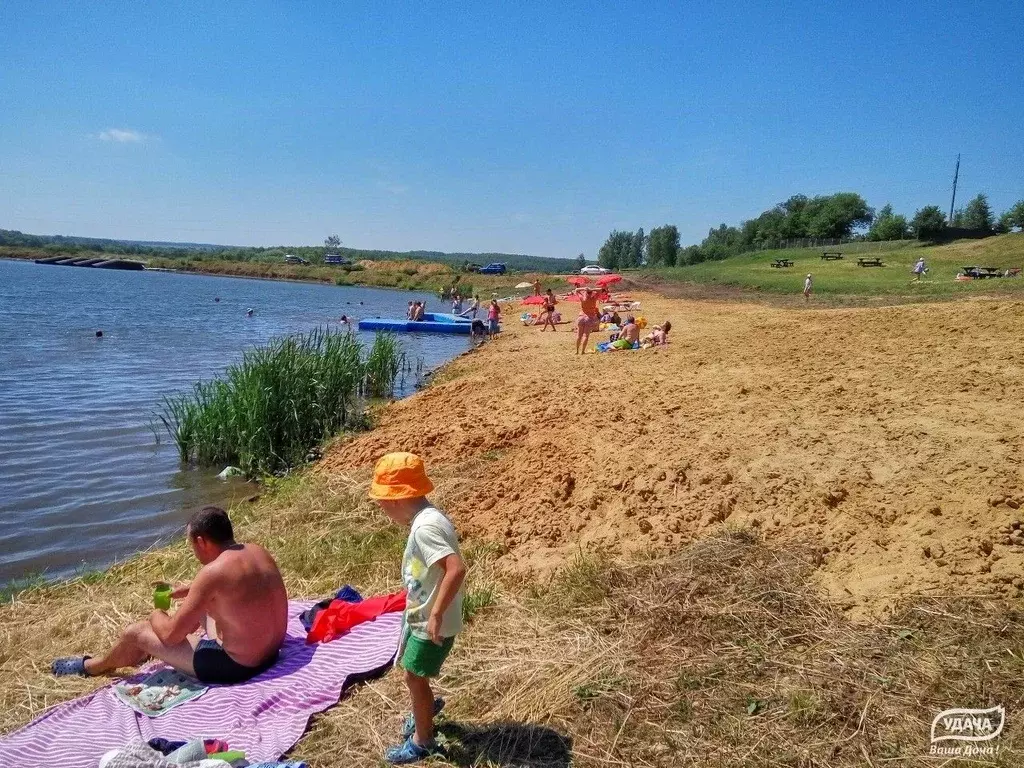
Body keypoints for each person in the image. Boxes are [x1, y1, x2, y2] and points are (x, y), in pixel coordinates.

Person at [51, 507, 288, 684]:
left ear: (201, 541)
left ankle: (93, 666)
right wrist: (192, 591)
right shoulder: (257, 552)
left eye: (192, 546)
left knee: (136, 632)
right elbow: (239, 590)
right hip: (271, 654)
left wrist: (157, 613)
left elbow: (171, 635)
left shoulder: (213, 573)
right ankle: (141, 652)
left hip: (237, 667)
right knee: (202, 609)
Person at [368, 453, 466, 765]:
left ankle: (423, 740)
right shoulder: (428, 517)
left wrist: (435, 614)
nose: (381, 507)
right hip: (423, 615)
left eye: (381, 501)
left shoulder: (425, 528)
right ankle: (424, 711)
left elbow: (456, 568)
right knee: (414, 674)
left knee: (414, 677)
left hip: (431, 622)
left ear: (396, 499)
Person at [575, 288, 600, 354]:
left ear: (586, 292)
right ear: (591, 293)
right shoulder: (593, 299)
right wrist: (591, 289)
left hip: (581, 317)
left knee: (579, 335)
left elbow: (576, 290)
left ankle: (577, 351)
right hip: (589, 318)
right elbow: (600, 290)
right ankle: (582, 351)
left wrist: (584, 289)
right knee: (585, 335)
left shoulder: (583, 299)